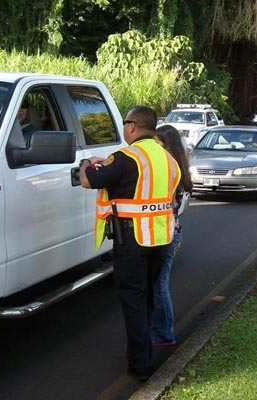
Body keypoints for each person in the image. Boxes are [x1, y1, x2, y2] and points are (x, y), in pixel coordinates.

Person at [79, 106, 180, 382]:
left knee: (132, 299)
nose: (124, 128)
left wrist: (86, 163)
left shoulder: (126, 156)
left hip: (132, 239)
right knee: (145, 297)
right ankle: (145, 351)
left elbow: (89, 181)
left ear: (133, 126)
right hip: (161, 239)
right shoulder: (167, 158)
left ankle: (141, 365)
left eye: (125, 123)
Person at [150, 125, 193, 347]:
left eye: (158, 144)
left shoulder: (168, 169)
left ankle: (164, 334)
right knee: (157, 284)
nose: (154, 149)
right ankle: (159, 331)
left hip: (166, 234)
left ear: (168, 146)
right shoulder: (178, 168)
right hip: (168, 232)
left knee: (159, 285)